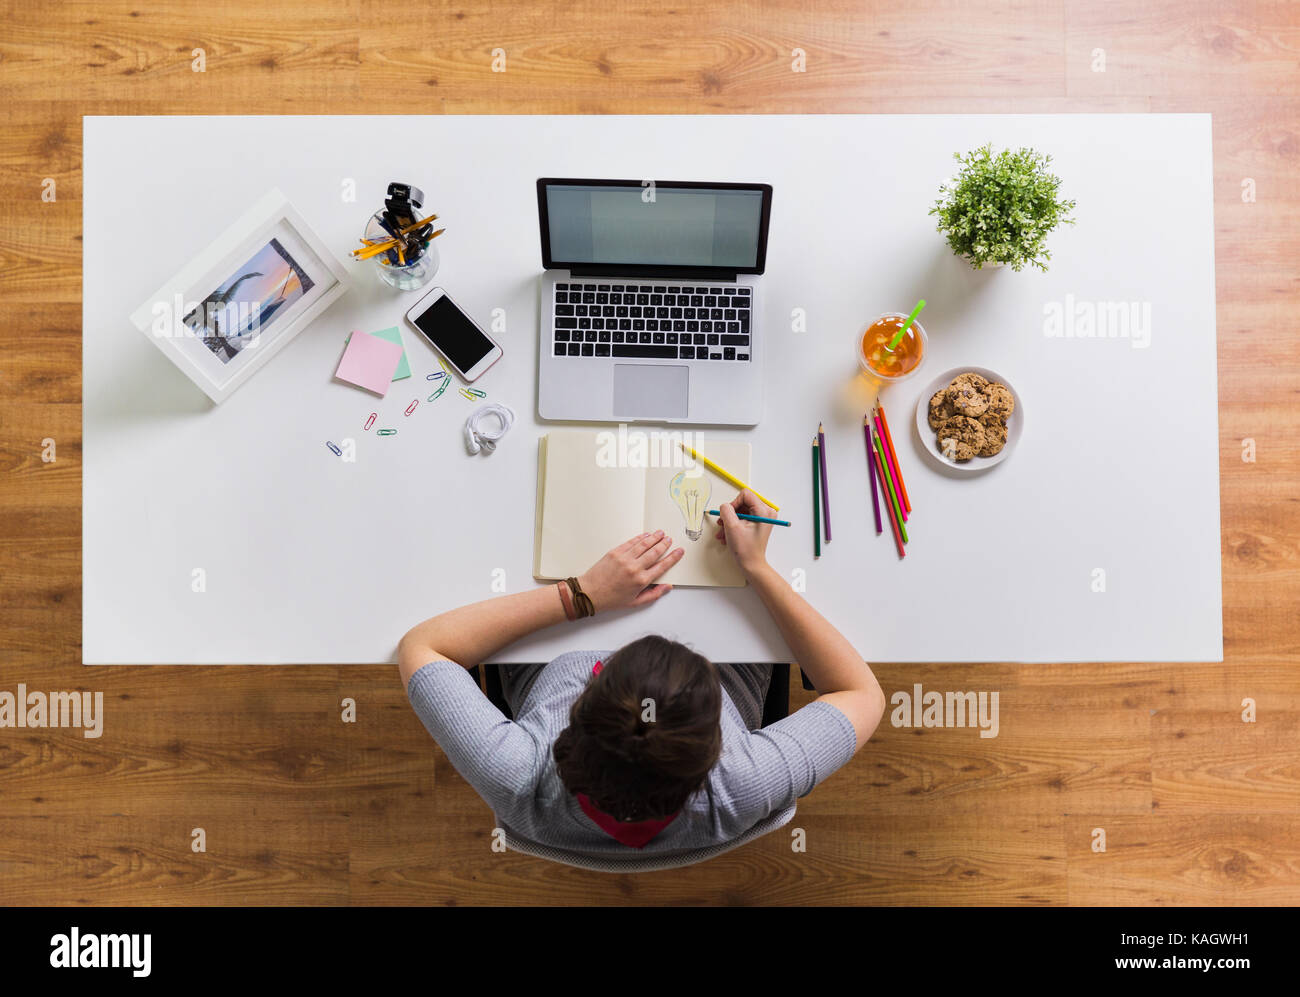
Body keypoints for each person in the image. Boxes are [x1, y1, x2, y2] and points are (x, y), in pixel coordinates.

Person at [398, 489, 886, 857]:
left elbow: (423, 645)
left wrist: (580, 595)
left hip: (547, 656)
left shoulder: (517, 775)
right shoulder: (744, 783)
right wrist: (757, 566)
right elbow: (860, 691)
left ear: (578, 710)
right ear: (717, 749)